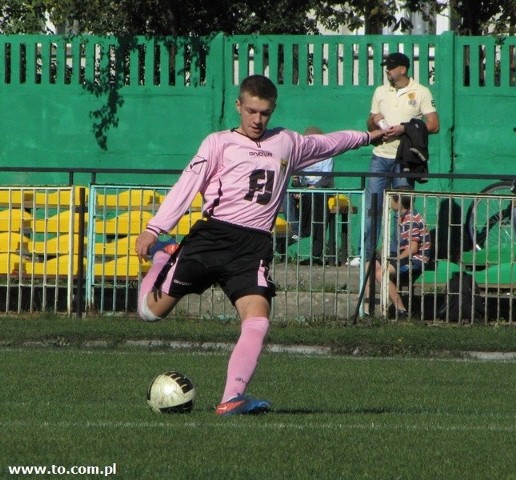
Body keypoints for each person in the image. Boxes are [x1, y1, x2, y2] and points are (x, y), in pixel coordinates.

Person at [134, 74, 385, 416]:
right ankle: (164, 258)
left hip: (252, 247)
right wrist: (155, 228)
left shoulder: (286, 142)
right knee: (150, 313)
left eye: (264, 113)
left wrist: (370, 136)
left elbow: (329, 144)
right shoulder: (218, 143)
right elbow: (187, 183)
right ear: (238, 106)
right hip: (212, 237)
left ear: (273, 110)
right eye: (251, 111)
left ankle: (231, 399)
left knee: (258, 320)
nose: (257, 120)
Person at [357, 52, 439, 267]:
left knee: (401, 210)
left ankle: (394, 257)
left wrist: (405, 128)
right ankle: (366, 256)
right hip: (380, 156)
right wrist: (374, 120)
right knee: (372, 208)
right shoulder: (381, 91)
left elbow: (433, 124)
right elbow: (369, 123)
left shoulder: (421, 92)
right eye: (386, 67)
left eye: (391, 67)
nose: (387, 70)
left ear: (402, 69)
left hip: (404, 158)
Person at [363, 190, 431, 318]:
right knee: (369, 266)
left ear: (398, 202)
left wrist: (395, 258)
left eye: (391, 200)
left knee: (381, 274)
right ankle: (367, 310)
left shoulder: (411, 219)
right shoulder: (402, 217)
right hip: (406, 257)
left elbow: (413, 248)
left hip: (416, 260)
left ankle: (401, 310)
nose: (389, 203)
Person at [281, 126, 335, 265]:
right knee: (285, 195)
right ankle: (294, 227)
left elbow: (326, 178)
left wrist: (311, 188)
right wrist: (297, 183)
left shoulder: (326, 156)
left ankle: (305, 239)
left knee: (313, 199)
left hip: (320, 191)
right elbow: (297, 179)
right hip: (304, 191)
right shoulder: (301, 156)